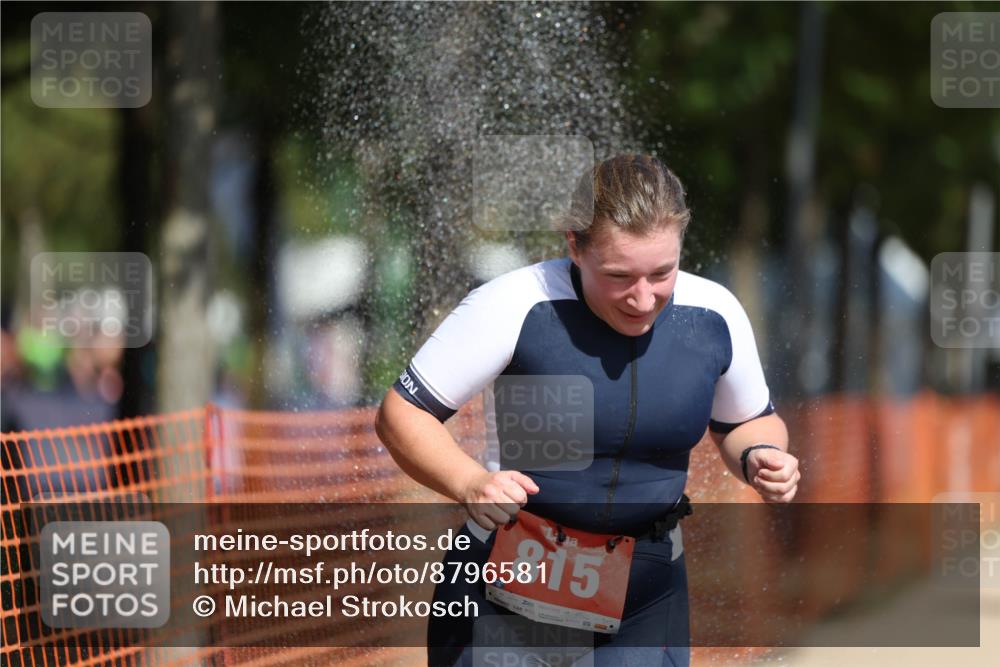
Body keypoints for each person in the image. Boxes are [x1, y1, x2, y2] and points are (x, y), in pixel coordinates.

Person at [375, 154, 800, 666]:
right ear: (574, 245)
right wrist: (468, 482)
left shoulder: (714, 315)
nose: (643, 298)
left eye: (662, 272)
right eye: (619, 276)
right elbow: (402, 413)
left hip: (645, 594)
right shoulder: (514, 304)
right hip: (508, 579)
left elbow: (747, 421)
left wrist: (760, 455)